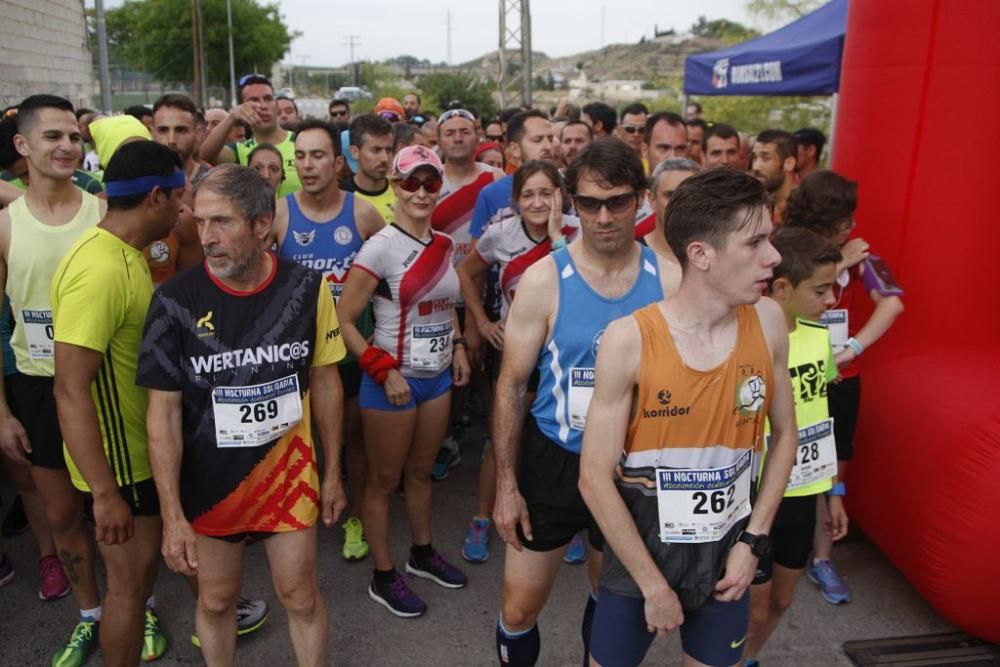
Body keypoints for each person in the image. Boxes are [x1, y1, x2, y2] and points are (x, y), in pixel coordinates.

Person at [579, 167, 797, 667]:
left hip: (729, 550)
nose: (775, 257)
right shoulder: (629, 340)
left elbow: (785, 436)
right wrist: (652, 586)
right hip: (642, 552)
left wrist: (753, 543)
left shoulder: (766, 321)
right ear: (700, 254)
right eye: (756, 242)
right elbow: (593, 478)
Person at [139, 163, 348, 666]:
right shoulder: (173, 300)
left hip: (288, 473)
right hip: (211, 482)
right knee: (215, 600)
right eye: (201, 221)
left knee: (299, 595)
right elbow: (162, 413)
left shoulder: (307, 289)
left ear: (260, 224)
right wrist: (171, 514)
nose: (205, 236)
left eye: (222, 222)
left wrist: (334, 472)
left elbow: (325, 381)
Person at [492, 138, 678, 666]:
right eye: (589, 203)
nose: (602, 217)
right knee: (520, 607)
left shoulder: (668, 279)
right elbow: (510, 385)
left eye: (617, 201)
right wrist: (507, 484)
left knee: (609, 599)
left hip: (629, 466)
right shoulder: (545, 279)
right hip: (554, 457)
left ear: (640, 199)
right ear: (571, 202)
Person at [52, 139, 186, 665]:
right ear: (155, 197)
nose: (185, 209)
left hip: (139, 458)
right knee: (129, 589)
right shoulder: (100, 270)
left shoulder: (123, 253)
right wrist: (105, 493)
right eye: (179, 196)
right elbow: (69, 388)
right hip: (121, 469)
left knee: (141, 580)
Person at [0, 94, 115, 667]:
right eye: (52, 137)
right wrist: (3, 414)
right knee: (64, 515)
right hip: (38, 388)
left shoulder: (102, 214)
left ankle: (132, 607)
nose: (68, 145)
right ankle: (91, 617)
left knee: (112, 509)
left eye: (74, 136)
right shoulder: (4, 226)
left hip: (105, 389)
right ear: (22, 146)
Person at [336, 145, 471, 617]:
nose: (420, 191)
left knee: (420, 472)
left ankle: (421, 552)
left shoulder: (445, 244)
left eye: (430, 181)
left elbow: (444, 304)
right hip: (393, 382)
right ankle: (383, 574)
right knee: (381, 482)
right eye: (410, 181)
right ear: (395, 186)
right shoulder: (380, 247)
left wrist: (458, 346)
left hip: (435, 378)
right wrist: (382, 370)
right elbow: (345, 319)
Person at [784, 170, 904, 606]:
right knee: (776, 456)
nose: (852, 226)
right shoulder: (785, 248)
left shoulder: (861, 255)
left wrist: (851, 348)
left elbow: (893, 303)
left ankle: (823, 558)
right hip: (788, 371)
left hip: (840, 377)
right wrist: (836, 263)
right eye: (843, 218)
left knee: (831, 467)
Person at [269, 119, 385, 562]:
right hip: (299, 356)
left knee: (351, 439)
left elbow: (389, 274)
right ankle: (297, 512)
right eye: (300, 156)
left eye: (317, 155)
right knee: (300, 437)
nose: (308, 165)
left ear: (338, 163)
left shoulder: (362, 213)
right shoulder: (280, 213)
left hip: (351, 352)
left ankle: (351, 514)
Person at [457, 161, 579, 564]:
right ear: (515, 201)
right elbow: (465, 272)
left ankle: (573, 519)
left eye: (547, 193)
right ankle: (480, 515)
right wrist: (481, 319)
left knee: (564, 441)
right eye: (528, 194)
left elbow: (574, 286)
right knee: (503, 438)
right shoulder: (501, 235)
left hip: (565, 355)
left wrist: (560, 236)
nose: (538, 202)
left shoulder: (580, 232)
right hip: (516, 351)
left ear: (561, 195)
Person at [742, 226, 850, 667]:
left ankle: (746, 659)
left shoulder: (818, 336)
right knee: (753, 607)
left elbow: (821, 419)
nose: (832, 301)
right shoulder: (747, 339)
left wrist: (834, 493)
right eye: (822, 289)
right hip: (758, 495)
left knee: (782, 602)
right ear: (782, 288)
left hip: (804, 493)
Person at [199, 73, 300, 197]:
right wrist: (231, 117)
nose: (263, 106)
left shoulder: (300, 141)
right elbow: (205, 153)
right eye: (254, 100)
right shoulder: (240, 150)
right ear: (241, 108)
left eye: (268, 98)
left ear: (276, 105)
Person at [148, 93, 208, 284]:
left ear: (197, 133)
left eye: (181, 130)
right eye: (163, 130)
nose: (171, 139)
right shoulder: (141, 188)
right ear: (152, 132)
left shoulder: (216, 183)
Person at [634, 157, 700, 261]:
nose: (679, 203)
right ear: (652, 199)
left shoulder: (716, 253)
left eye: (688, 195)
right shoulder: (632, 255)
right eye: (670, 195)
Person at [342, 114, 396, 224]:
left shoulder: (402, 192)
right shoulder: (339, 198)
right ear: (354, 152)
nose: (384, 158)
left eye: (388, 150)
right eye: (376, 150)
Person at [751, 129, 798, 223]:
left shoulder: (807, 210)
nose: (756, 166)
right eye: (755, 158)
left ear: (789, 163)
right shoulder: (757, 206)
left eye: (766, 158)